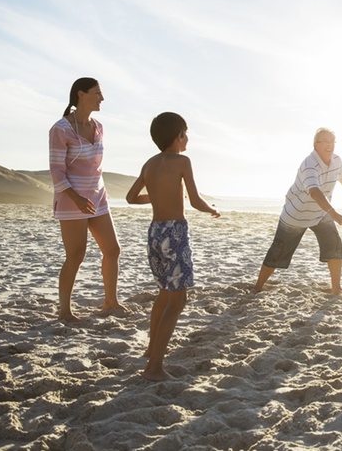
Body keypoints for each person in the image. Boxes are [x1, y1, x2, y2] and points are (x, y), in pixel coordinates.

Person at [126, 112, 220, 381]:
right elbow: (194, 200)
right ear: (178, 136)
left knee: (164, 293)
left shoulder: (149, 164)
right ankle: (154, 367)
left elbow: (131, 198)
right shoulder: (182, 161)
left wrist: (156, 197)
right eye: (186, 133)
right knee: (177, 299)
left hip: (155, 232)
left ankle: (150, 350)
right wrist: (211, 210)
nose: (187, 138)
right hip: (174, 232)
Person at [254, 128, 342, 295]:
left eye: (332, 141)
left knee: (334, 244)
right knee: (277, 252)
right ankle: (257, 287)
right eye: (324, 141)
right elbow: (315, 192)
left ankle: (336, 288)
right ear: (315, 144)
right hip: (296, 216)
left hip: (320, 213)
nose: (329, 145)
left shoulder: (337, 160)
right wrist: (333, 213)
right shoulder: (309, 165)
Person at [49, 77, 122, 322]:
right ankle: (65, 311)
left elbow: (95, 167)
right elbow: (57, 171)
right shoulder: (60, 129)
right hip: (72, 200)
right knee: (76, 254)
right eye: (97, 93)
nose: (102, 98)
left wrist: (94, 195)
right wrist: (76, 198)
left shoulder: (99, 127)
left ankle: (111, 302)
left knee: (112, 250)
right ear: (81, 94)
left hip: (98, 197)